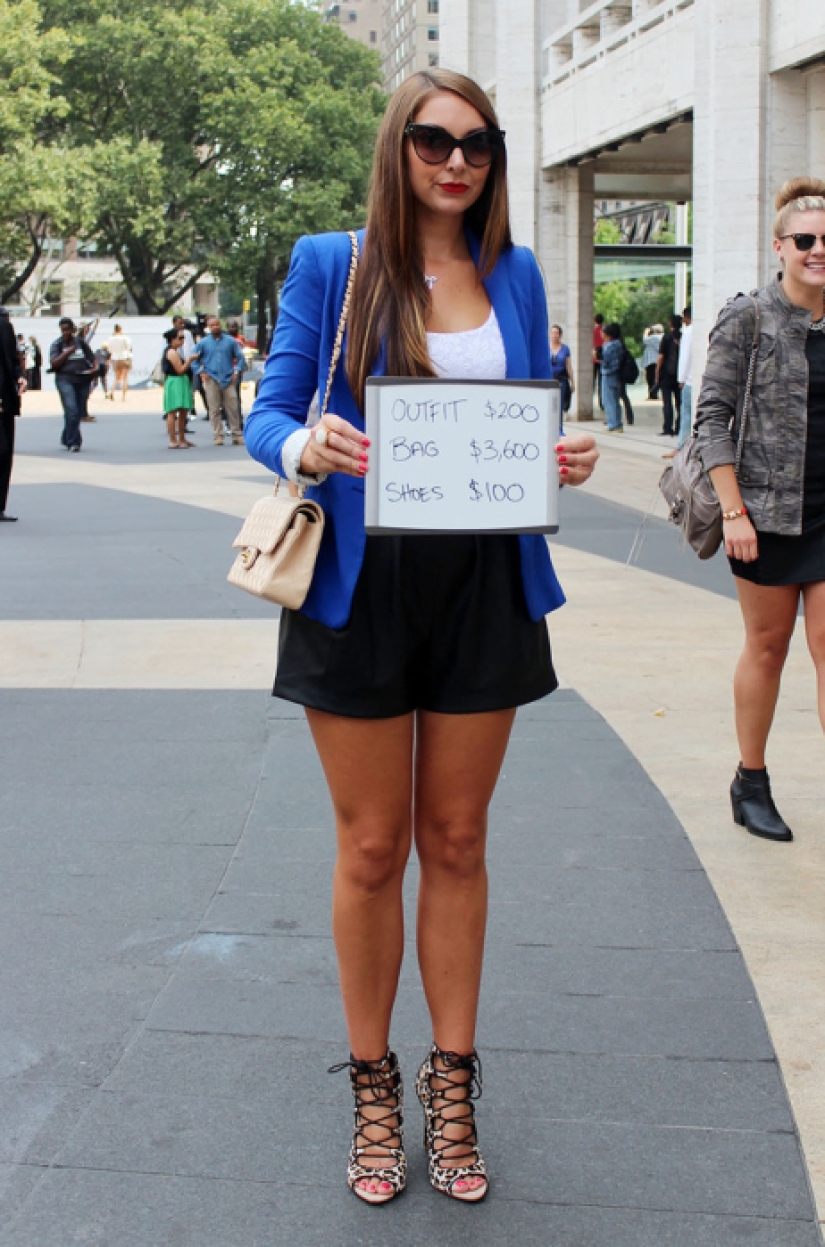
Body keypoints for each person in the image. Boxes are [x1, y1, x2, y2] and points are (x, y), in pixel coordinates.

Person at [245, 67, 598, 1208]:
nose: (458, 161)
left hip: (484, 576)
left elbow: (526, 415)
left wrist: (563, 454)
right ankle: (373, 1085)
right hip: (361, 580)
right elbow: (268, 408)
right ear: (400, 145)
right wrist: (308, 448)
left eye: (480, 143)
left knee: (455, 837)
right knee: (369, 847)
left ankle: (453, 1082)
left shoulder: (519, 267)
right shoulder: (333, 263)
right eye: (436, 140)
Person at [695, 177, 825, 844]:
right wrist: (733, 510)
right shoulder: (748, 315)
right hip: (765, 511)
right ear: (779, 246)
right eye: (804, 240)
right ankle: (750, 778)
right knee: (767, 647)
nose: (816, 250)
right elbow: (710, 418)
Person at [190, 316, 245, 445]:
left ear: (220, 325)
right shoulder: (203, 343)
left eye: (217, 324)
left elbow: (240, 357)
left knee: (232, 407)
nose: (215, 327)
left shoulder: (230, 341)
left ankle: (236, 434)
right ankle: (218, 435)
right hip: (211, 379)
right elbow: (193, 359)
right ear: (209, 328)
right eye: (212, 325)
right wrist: (200, 372)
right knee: (214, 409)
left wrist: (236, 371)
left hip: (228, 378)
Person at [50, 318, 96, 451]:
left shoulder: (80, 343)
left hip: (82, 379)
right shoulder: (57, 345)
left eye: (67, 329)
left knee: (77, 411)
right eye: (63, 330)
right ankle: (74, 442)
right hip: (65, 379)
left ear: (72, 329)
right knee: (72, 410)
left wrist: (94, 368)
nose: (65, 332)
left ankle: (66, 436)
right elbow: (54, 363)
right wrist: (67, 353)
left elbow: (92, 358)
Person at [0, 307, 26, 521]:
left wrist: (19, 376)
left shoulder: (5, 327)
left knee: (4, 451)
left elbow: (11, 360)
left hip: (5, 399)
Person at [162, 327, 195, 448]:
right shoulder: (171, 352)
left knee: (183, 411)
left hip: (180, 381)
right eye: (180, 338)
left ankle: (182, 438)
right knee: (173, 411)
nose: (182, 341)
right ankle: (173, 439)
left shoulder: (175, 351)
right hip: (175, 381)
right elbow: (180, 370)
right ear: (172, 339)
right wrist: (190, 360)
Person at [656, 314, 682, 435]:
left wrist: (657, 373)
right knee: (680, 403)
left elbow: (661, 356)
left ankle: (668, 427)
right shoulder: (683, 336)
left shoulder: (666, 337)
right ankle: (679, 426)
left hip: (666, 374)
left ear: (670, 324)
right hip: (680, 374)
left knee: (667, 402)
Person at [599, 321, 624, 432]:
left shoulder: (609, 346)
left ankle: (613, 424)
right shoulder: (619, 344)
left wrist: (597, 356)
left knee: (608, 400)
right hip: (616, 375)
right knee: (615, 400)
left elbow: (605, 361)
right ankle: (617, 423)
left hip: (608, 374)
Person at [548, 323, 574, 412]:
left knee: (560, 404)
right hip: (549, 379)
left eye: (556, 333)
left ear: (560, 335)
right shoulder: (546, 347)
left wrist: (572, 382)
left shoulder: (565, 348)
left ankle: (559, 424)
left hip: (561, 379)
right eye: (552, 333)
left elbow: (568, 366)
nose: (554, 335)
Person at [102, 324, 132, 400]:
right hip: (124, 358)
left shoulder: (110, 339)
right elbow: (128, 348)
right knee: (125, 378)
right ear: (120, 330)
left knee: (117, 378)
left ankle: (112, 392)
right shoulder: (124, 338)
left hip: (115, 359)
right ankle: (123, 397)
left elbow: (109, 350)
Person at [642, 325, 662, 398]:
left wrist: (646, 332)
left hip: (652, 361)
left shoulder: (654, 338)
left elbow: (645, 340)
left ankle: (652, 394)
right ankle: (653, 393)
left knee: (650, 378)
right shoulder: (663, 337)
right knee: (656, 377)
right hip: (659, 360)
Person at [592, 312, 605, 411]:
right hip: (602, 359)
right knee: (601, 382)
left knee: (592, 382)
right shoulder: (603, 331)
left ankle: (590, 401)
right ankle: (602, 403)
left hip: (593, 359)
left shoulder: (592, 331)